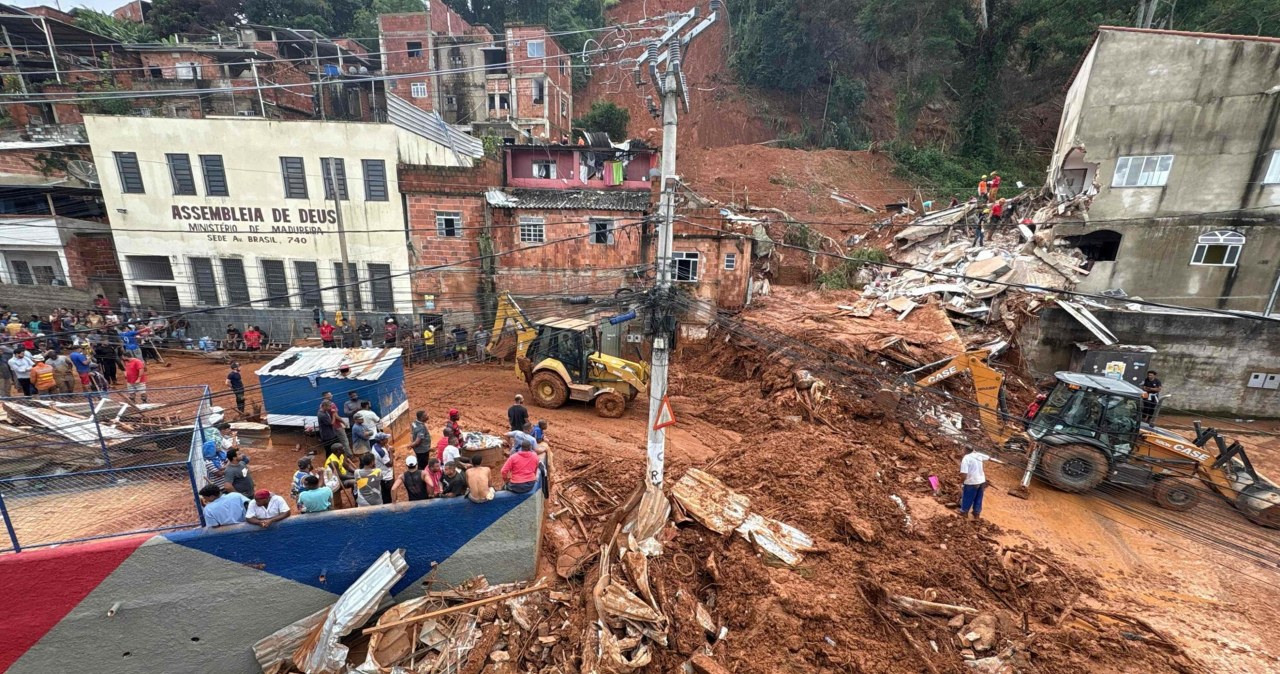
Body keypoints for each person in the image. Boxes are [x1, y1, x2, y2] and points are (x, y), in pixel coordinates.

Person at [959, 447, 990, 519]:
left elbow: (964, 474)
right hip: (982, 481)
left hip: (972, 481)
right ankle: (976, 514)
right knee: (978, 498)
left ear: (965, 450)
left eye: (962, 449)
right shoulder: (978, 455)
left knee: (967, 497)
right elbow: (989, 458)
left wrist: (961, 483)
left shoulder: (966, 458)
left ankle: (964, 512)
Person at [370, 432, 395, 504]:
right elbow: (390, 464)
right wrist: (390, 452)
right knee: (388, 495)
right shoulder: (381, 452)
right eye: (385, 439)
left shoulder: (375, 446)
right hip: (386, 476)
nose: (387, 439)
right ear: (381, 441)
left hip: (380, 474)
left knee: (384, 494)